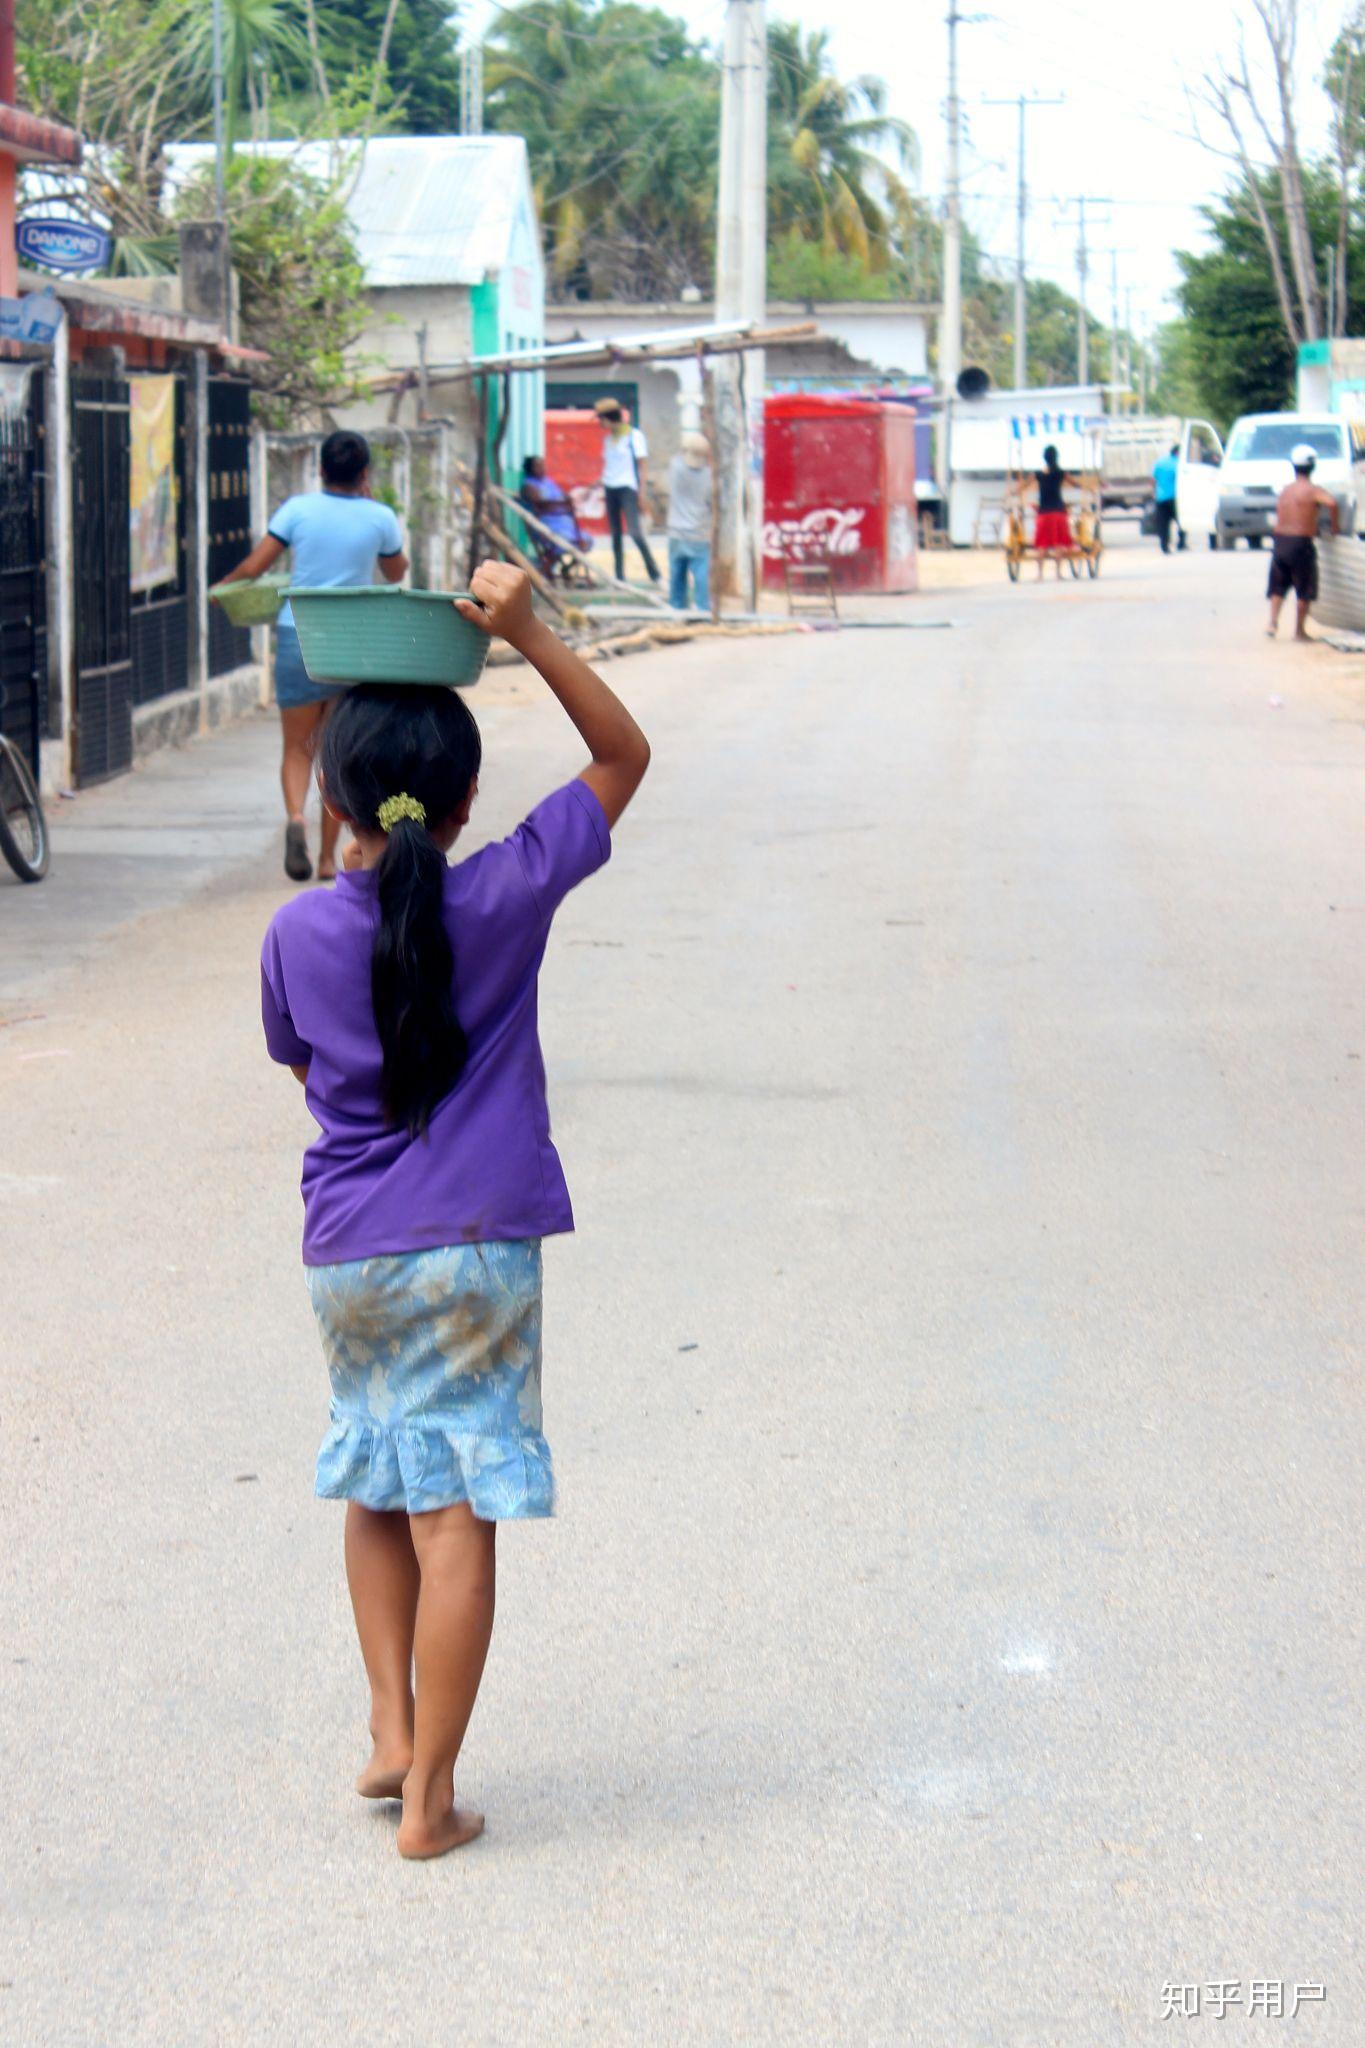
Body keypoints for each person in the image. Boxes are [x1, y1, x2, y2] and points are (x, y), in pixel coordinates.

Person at [258, 561, 649, 1860]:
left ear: (332, 793)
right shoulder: (504, 893)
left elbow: (308, 1070)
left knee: (376, 1480)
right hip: (479, 1253)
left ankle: (389, 1730)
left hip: (351, 1257)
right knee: (454, 1512)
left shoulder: (295, 935)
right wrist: (529, 633)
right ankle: (431, 1799)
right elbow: (623, 753)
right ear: (468, 797)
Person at [219, 431, 409, 884]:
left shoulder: (296, 510)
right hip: (353, 643)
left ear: (320, 470)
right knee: (338, 752)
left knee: (296, 747)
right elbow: (397, 572)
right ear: (364, 473)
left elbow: (255, 566)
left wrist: (221, 588)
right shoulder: (380, 517)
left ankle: (295, 819)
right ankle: (327, 859)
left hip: (297, 632)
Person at [1267, 443, 1340, 640]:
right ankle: (1299, 632)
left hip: (1280, 542)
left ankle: (1272, 623)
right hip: (1300, 543)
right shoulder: (1313, 490)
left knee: (1278, 585)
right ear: (1312, 467)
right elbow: (1332, 503)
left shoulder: (1285, 490)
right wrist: (1334, 528)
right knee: (1304, 588)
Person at [594, 398, 661, 585]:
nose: (600, 423)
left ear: (609, 418)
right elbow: (610, 466)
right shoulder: (608, 440)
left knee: (634, 532)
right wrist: (597, 483)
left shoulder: (634, 436)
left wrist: (642, 492)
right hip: (610, 487)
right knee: (615, 533)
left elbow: (642, 465)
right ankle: (619, 575)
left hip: (627, 488)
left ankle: (654, 572)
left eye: (601, 419)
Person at [665, 431, 713, 611]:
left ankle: (677, 608)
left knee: (677, 574)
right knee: (701, 575)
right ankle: (702, 608)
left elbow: (678, 455)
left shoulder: (676, 468)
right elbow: (712, 504)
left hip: (676, 531)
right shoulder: (709, 477)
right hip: (699, 533)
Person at [518, 454, 587, 576]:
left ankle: (560, 568)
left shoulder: (548, 482)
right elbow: (541, 505)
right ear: (530, 468)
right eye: (538, 466)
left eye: (542, 465)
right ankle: (545, 566)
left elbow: (564, 497)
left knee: (585, 541)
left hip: (564, 525)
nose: (542, 468)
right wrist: (562, 505)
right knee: (567, 542)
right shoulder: (529, 486)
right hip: (546, 527)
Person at [1026, 444, 1078, 577]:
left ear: (1044, 458)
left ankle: (1040, 574)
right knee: (1058, 544)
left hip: (1043, 514)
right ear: (1056, 458)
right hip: (1058, 513)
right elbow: (1075, 484)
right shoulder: (1061, 473)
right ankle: (1058, 573)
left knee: (1042, 544)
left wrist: (1013, 492)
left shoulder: (1038, 474)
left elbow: (1024, 485)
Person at [1152, 443, 1183, 555]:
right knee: (1180, 521)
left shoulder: (1160, 462)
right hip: (1176, 498)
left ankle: (1164, 546)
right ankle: (1181, 543)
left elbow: (1154, 479)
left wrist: (1154, 492)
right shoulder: (1179, 463)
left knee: (1163, 524)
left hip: (1161, 497)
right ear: (1178, 452)